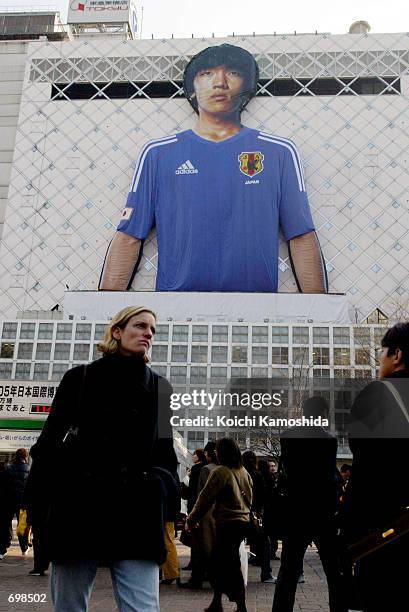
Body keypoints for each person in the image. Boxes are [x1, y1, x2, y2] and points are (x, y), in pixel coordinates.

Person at [99, 43, 327, 294]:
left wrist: (319, 317)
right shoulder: (158, 154)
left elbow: (301, 236)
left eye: (233, 73)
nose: (220, 82)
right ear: (192, 88)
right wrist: (106, 319)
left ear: (247, 86)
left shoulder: (279, 152)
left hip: (257, 310)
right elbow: (129, 236)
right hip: (176, 309)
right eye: (206, 73)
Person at [26, 306, 178, 612]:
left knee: (143, 608)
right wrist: (39, 508)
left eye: (152, 329)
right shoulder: (79, 378)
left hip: (137, 510)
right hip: (79, 507)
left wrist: (163, 492)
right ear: (117, 331)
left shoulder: (159, 388)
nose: (148, 333)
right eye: (140, 326)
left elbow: (165, 453)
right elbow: (48, 445)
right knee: (69, 606)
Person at [343, 322, 409, 611]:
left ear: (397, 355)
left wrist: (347, 532)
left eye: (382, 351)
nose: (380, 357)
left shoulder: (378, 395)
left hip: (386, 535)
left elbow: (367, 472)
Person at [272, 397, 347, 612]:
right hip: (323, 513)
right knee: (334, 572)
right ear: (323, 413)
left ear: (303, 412)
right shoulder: (328, 440)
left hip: (295, 511)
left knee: (288, 572)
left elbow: (285, 476)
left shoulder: (287, 437)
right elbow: (327, 479)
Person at [187, 437, 252, 612]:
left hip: (227, 524)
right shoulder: (244, 472)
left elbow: (204, 499)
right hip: (243, 524)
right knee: (228, 562)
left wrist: (191, 519)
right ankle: (223, 603)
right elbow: (251, 498)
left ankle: (232, 604)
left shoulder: (220, 472)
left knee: (218, 563)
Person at [242, 450, 275, 583]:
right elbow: (264, 496)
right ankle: (266, 574)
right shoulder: (258, 475)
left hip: (240, 513)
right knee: (264, 544)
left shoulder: (240, 474)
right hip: (255, 515)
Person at [0, 448, 30, 556]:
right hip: (22, 502)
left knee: (5, 525)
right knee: (22, 524)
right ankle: (24, 548)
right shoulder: (29, 469)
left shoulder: (8, 468)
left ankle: (3, 549)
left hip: (8, 501)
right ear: (25, 457)